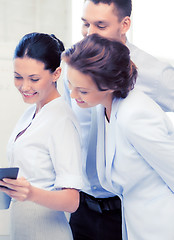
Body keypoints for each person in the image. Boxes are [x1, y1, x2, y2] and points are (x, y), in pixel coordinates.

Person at [63, 1, 174, 239]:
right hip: (89, 206)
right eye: (85, 24)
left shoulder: (137, 106)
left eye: (100, 25)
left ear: (124, 25)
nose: (90, 34)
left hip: (146, 220)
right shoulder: (79, 68)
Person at [0, 32, 84, 240]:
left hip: (48, 231)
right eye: (18, 77)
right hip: (23, 228)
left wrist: (31, 193)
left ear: (56, 74)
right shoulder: (30, 113)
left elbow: (72, 201)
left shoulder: (61, 119)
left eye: (34, 79)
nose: (24, 87)